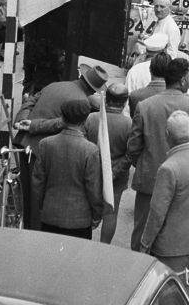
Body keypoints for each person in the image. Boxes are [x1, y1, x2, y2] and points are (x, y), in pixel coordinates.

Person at [126, 57, 189, 251]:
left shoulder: (145, 106)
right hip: (185, 183)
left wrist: (146, 163)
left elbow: (133, 147)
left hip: (149, 182)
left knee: (142, 236)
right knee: (176, 237)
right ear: (183, 81)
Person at [15, 63, 109, 230]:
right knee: (38, 196)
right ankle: (35, 234)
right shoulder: (80, 102)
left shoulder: (55, 85)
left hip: (23, 143)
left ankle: (27, 227)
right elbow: (63, 122)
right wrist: (33, 125)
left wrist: (23, 120)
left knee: (27, 194)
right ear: (94, 89)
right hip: (42, 149)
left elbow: (30, 100)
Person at [141, 110, 189, 272]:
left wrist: (145, 243)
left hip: (172, 248)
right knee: (187, 287)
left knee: (170, 293)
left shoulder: (168, 168)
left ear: (167, 134)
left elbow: (157, 213)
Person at [32, 97, 103, 239]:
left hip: (50, 214)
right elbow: (93, 188)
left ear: (62, 118)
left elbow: (37, 183)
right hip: (79, 219)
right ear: (84, 120)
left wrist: (42, 206)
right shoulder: (90, 150)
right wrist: (97, 213)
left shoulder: (45, 144)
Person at [85, 82, 132, 244]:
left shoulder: (91, 118)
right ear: (125, 103)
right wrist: (114, 172)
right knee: (110, 213)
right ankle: (103, 247)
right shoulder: (129, 124)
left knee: (86, 209)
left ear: (105, 100)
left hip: (90, 174)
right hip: (115, 179)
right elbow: (130, 154)